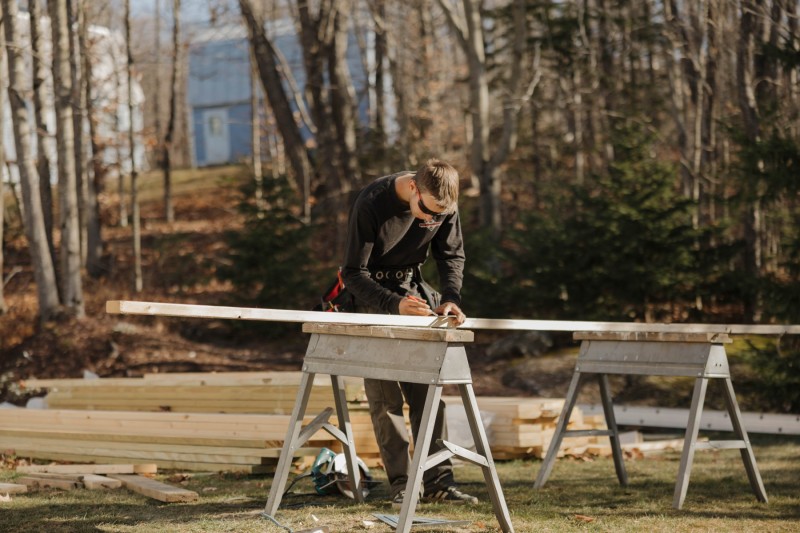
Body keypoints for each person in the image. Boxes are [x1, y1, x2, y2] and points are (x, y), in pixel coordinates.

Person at [340, 159, 477, 508]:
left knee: (428, 394)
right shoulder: (372, 202)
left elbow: (451, 255)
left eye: (439, 215)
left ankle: (437, 481)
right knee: (386, 400)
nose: (432, 220)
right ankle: (402, 484)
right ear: (414, 188)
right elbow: (353, 273)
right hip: (372, 296)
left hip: (414, 292)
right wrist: (392, 304)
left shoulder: (445, 203)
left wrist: (450, 299)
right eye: (427, 212)